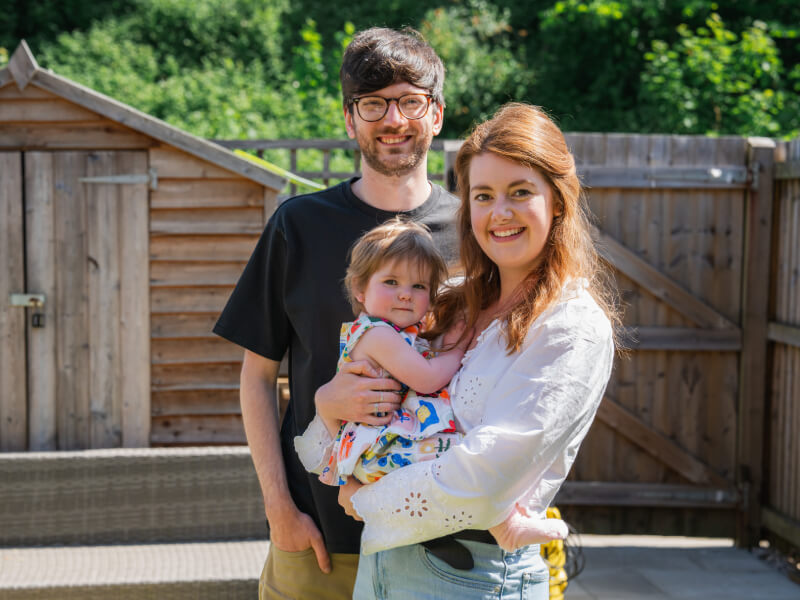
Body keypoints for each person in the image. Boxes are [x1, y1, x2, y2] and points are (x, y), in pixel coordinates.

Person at [333, 103, 619, 599]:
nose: (499, 213)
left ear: (558, 201)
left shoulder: (570, 327)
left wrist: (367, 499)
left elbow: (486, 479)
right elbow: (361, 388)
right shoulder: (449, 299)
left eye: (520, 192)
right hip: (382, 561)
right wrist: (328, 403)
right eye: (483, 195)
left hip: (471, 575)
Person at [213, 27, 459, 600]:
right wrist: (279, 508)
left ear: (437, 113)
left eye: (410, 100)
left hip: (442, 538)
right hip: (319, 534)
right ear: (350, 120)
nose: (392, 118)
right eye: (372, 103)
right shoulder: (297, 226)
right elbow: (256, 378)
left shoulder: (474, 232)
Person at [295, 218, 569, 549]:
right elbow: (426, 380)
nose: (405, 295)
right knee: (470, 461)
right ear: (359, 288)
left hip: (384, 447)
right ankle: (505, 526)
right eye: (392, 282)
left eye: (419, 287)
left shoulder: (398, 332)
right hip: (383, 449)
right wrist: (461, 348)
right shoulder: (376, 334)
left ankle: (493, 527)